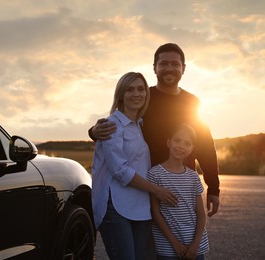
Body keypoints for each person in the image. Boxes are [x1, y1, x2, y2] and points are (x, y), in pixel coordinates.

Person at [89, 43, 220, 217]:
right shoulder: (144, 98)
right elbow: (118, 124)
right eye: (164, 63)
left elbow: (205, 146)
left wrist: (213, 187)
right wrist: (94, 131)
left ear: (184, 68)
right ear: (154, 68)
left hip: (181, 182)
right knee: (151, 240)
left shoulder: (192, 103)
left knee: (182, 234)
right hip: (147, 183)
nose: (169, 68)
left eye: (175, 64)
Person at [92, 72, 178, 259]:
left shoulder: (139, 124)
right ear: (121, 94)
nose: (136, 94)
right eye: (129, 89)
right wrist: (157, 190)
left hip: (139, 205)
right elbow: (121, 171)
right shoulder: (112, 125)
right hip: (115, 205)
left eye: (141, 89)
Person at [147, 123, 209, 260]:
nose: (181, 146)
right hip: (167, 247)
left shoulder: (193, 176)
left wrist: (195, 245)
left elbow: (201, 214)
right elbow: (155, 212)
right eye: (177, 140)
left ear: (193, 148)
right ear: (168, 142)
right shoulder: (155, 174)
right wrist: (175, 243)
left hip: (195, 247)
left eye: (188, 143)